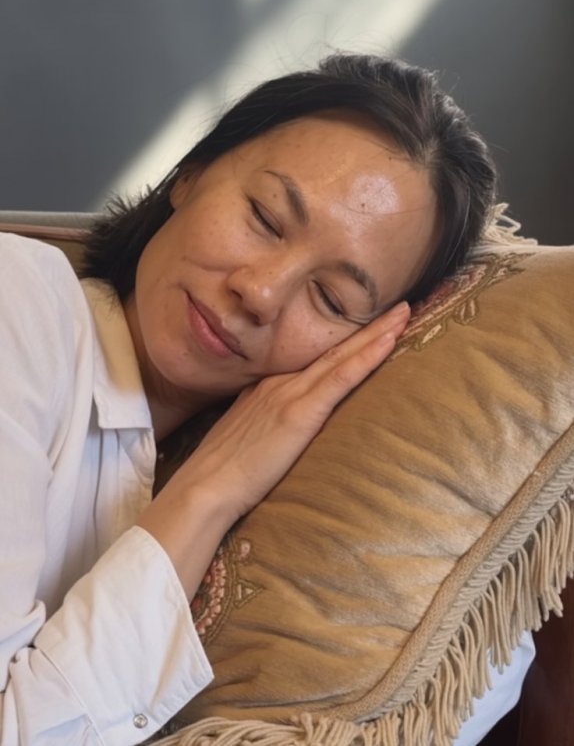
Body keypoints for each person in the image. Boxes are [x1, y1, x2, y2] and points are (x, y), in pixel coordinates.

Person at [0, 53, 530, 745]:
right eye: (266, 217)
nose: (261, 290)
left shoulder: (285, 500)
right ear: (190, 173)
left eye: (333, 298)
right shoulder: (20, 300)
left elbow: (491, 666)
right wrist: (211, 488)